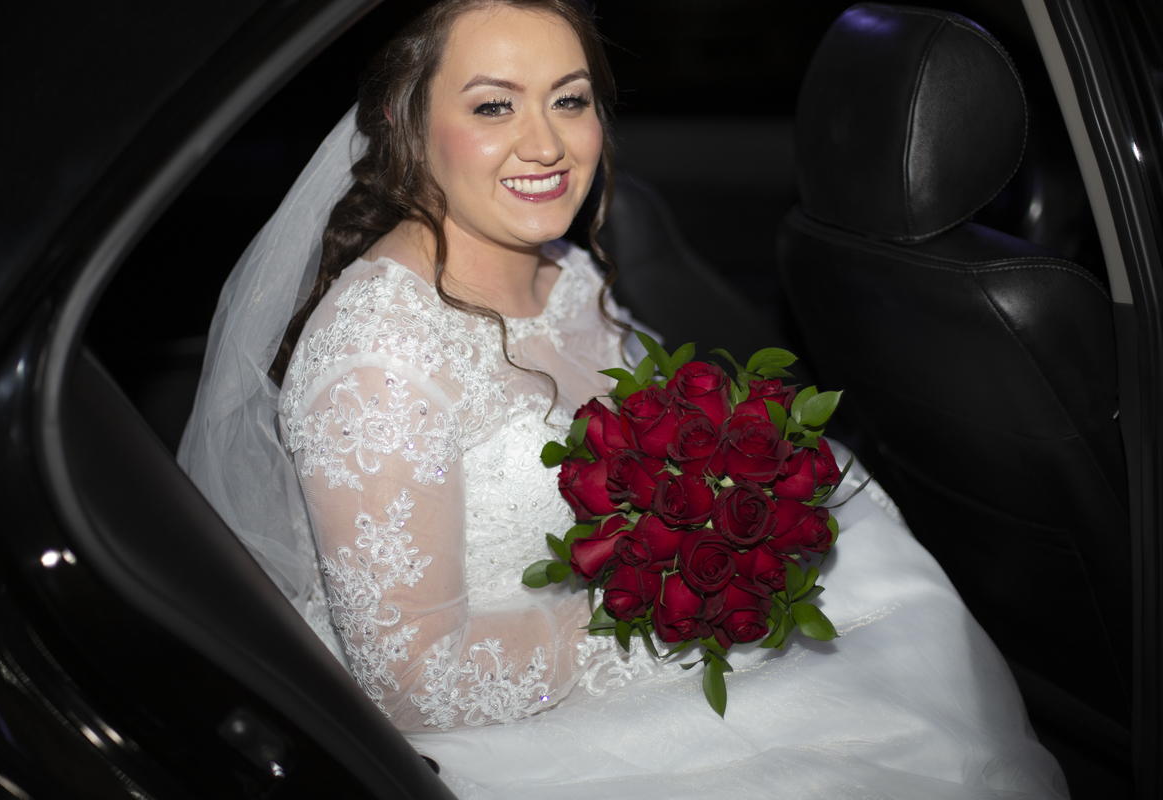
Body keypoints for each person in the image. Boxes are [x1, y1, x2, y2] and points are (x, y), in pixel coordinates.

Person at [179, 1, 1069, 796]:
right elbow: (414, 684)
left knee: (908, 651)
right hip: (509, 727)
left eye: (568, 100)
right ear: (404, 123)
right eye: (493, 106)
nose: (545, 145)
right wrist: (655, 600)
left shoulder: (564, 269)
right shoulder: (378, 360)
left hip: (647, 637)